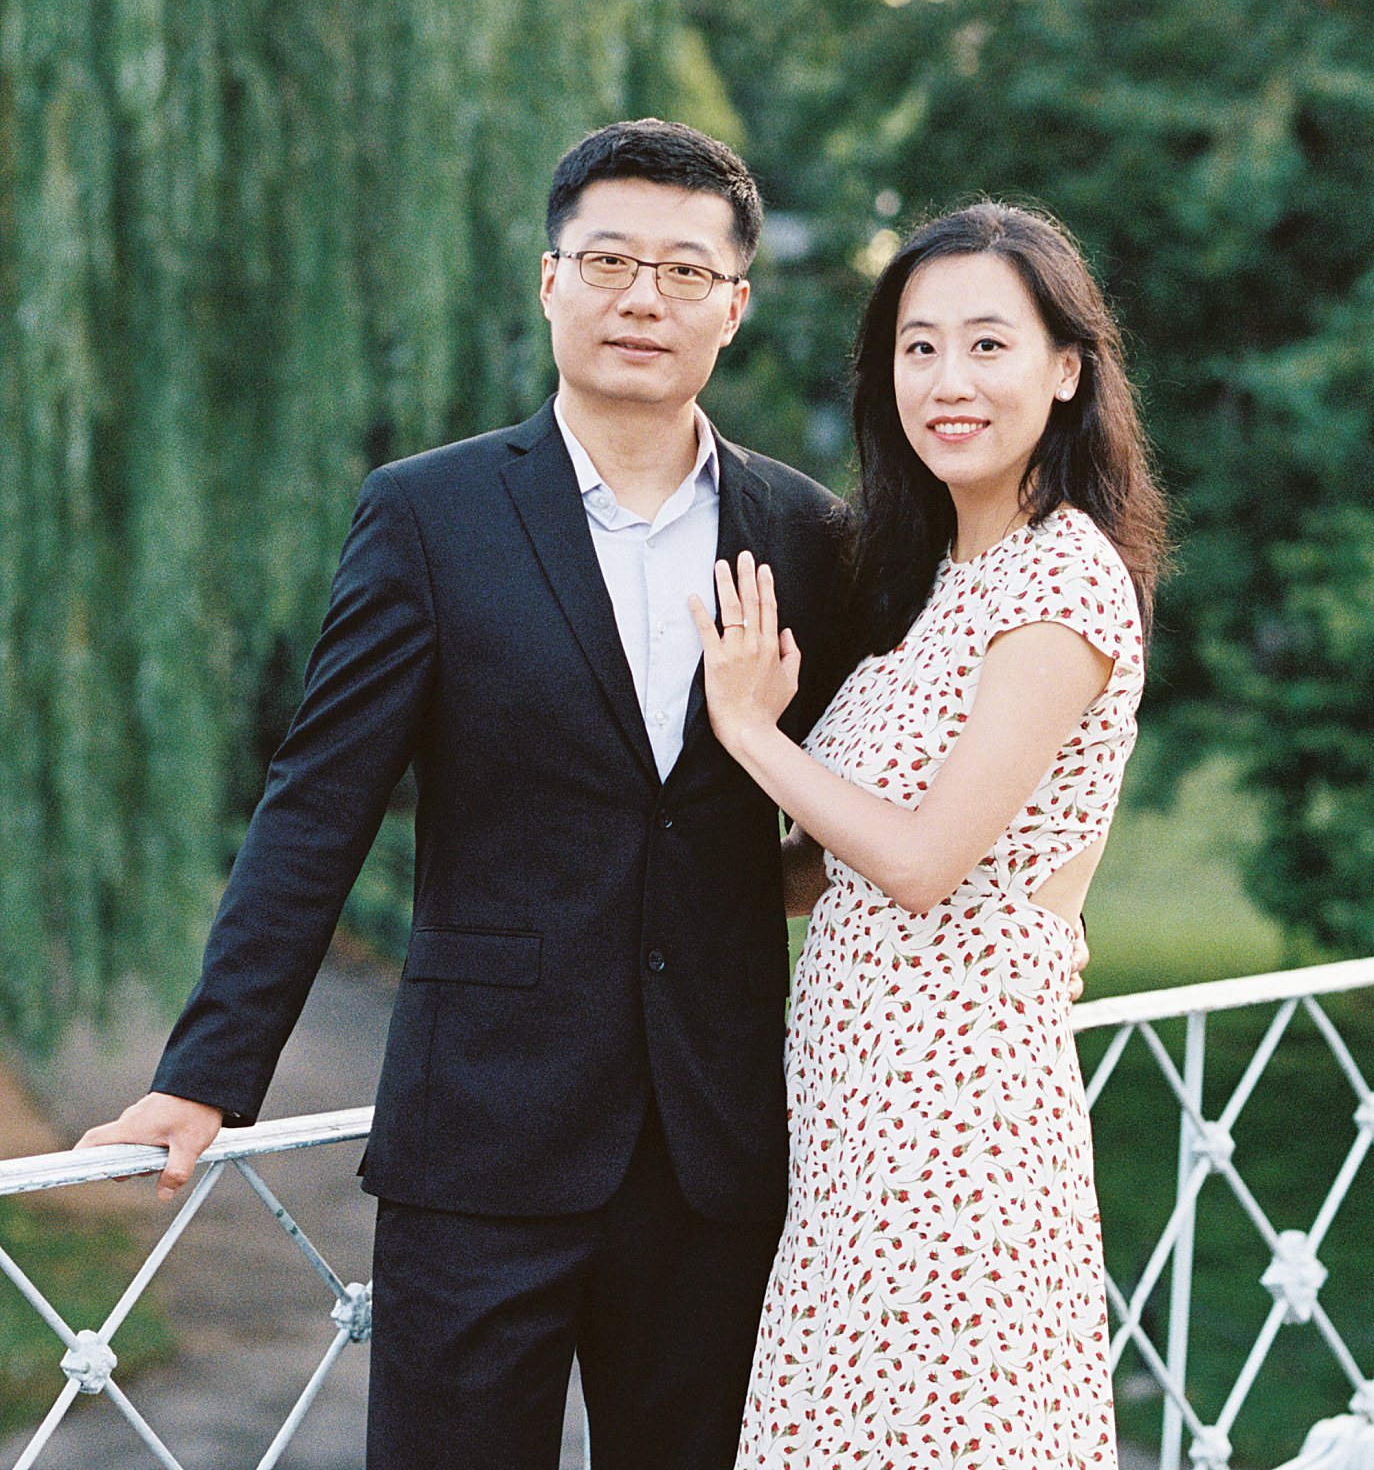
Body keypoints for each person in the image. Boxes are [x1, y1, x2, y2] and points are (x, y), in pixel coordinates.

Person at [75, 120, 849, 1470]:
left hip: (715, 1153)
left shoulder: (807, 535)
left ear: (732, 304)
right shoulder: (429, 516)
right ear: (550, 282)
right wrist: (204, 1077)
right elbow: (317, 804)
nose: (639, 297)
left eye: (681, 270)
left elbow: (859, 802)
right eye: (606, 259)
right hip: (481, 1142)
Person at [690, 202, 1167, 1470]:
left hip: (956, 1131)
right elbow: (835, 872)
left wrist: (751, 730)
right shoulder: (936, 584)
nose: (948, 381)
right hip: (854, 1125)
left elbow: (920, 859)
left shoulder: (1064, 579)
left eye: (987, 345)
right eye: (918, 347)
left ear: (1067, 369)